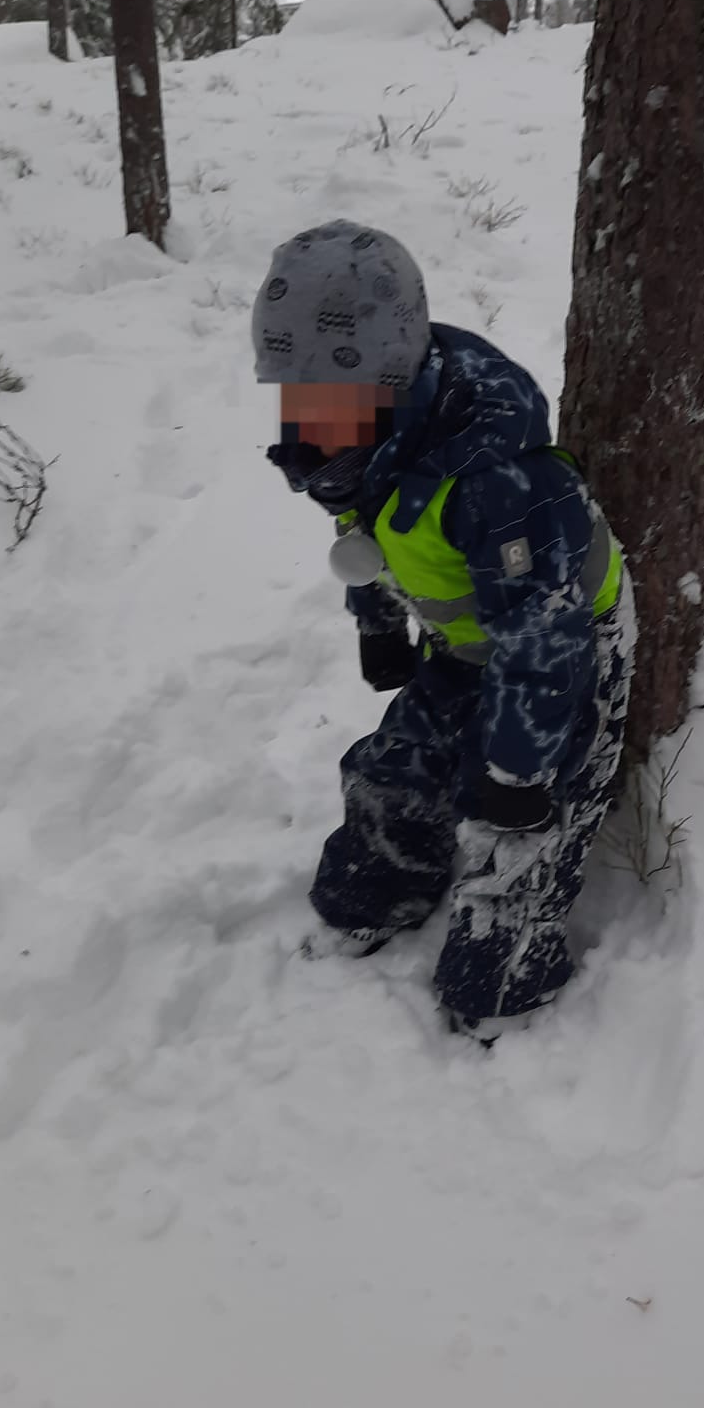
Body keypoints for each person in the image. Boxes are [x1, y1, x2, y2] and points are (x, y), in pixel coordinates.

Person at [251, 219, 634, 1032]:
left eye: (329, 400)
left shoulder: (497, 481)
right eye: (292, 394)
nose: (307, 420)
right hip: (467, 644)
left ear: (387, 384)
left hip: (566, 655)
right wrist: (377, 621)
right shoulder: (353, 451)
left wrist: (519, 777)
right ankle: (388, 890)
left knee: (510, 842)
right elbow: (364, 535)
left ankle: (506, 974)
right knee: (392, 777)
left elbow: (546, 639)